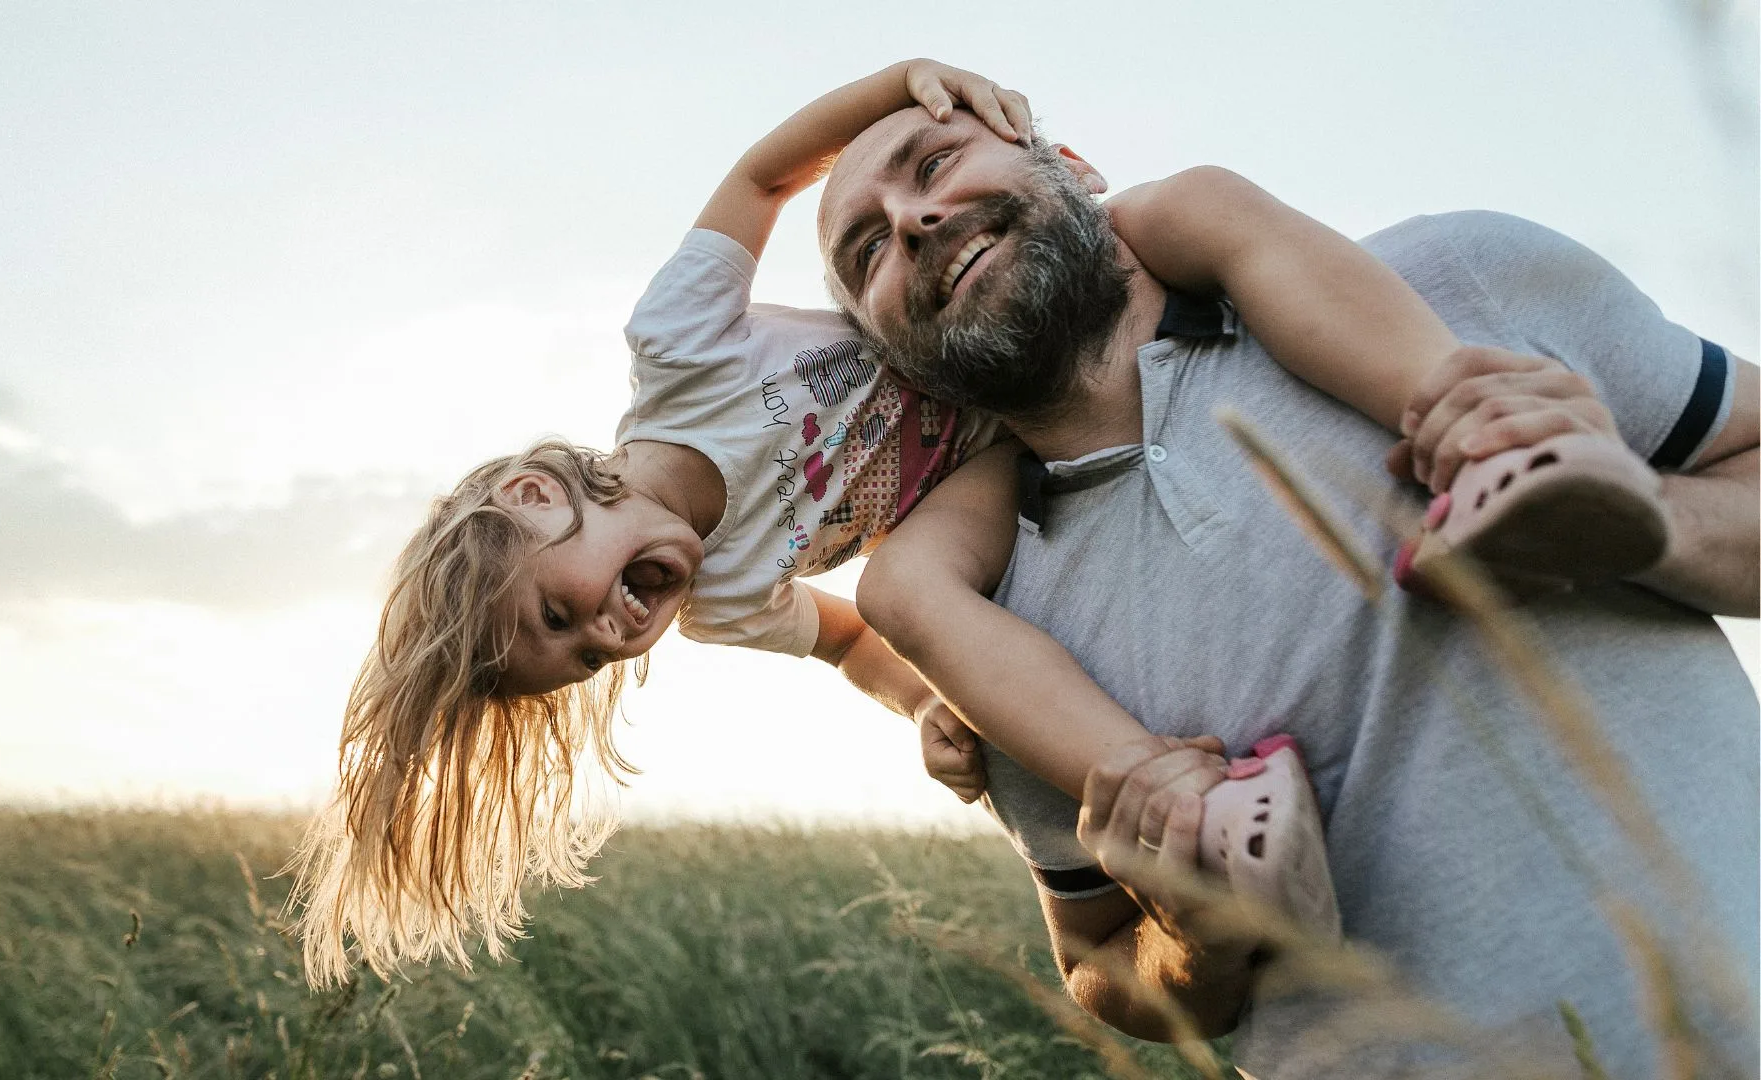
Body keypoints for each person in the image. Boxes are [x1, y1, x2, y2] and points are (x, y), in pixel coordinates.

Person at [290, 58, 1662, 993]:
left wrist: (904, 88)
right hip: (982, 450)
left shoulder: (678, 349)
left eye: (561, 612)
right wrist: (932, 711)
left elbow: (768, 169)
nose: (614, 629)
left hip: (992, 353)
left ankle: (1479, 429)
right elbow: (844, 641)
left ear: (539, 499)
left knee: (1189, 202)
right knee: (904, 597)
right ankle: (1188, 815)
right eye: (589, 658)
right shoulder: (716, 605)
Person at [826, 102, 1759, 1078]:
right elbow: (1099, 964)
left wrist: (1648, 513)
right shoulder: (988, 635)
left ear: (1071, 165)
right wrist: (1196, 937)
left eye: (935, 162)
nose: (912, 222)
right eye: (865, 252)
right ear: (888, 349)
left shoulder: (1456, 280)